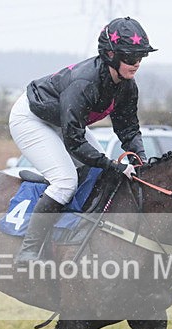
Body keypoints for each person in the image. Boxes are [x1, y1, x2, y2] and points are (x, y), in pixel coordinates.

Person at [8, 16, 156, 266]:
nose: (137, 63)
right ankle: (29, 252)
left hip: (63, 121)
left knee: (99, 175)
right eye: (131, 57)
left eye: (141, 57)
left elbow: (128, 130)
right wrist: (114, 164)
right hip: (31, 118)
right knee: (65, 182)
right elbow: (75, 141)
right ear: (110, 55)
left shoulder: (127, 86)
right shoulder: (85, 83)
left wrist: (141, 160)